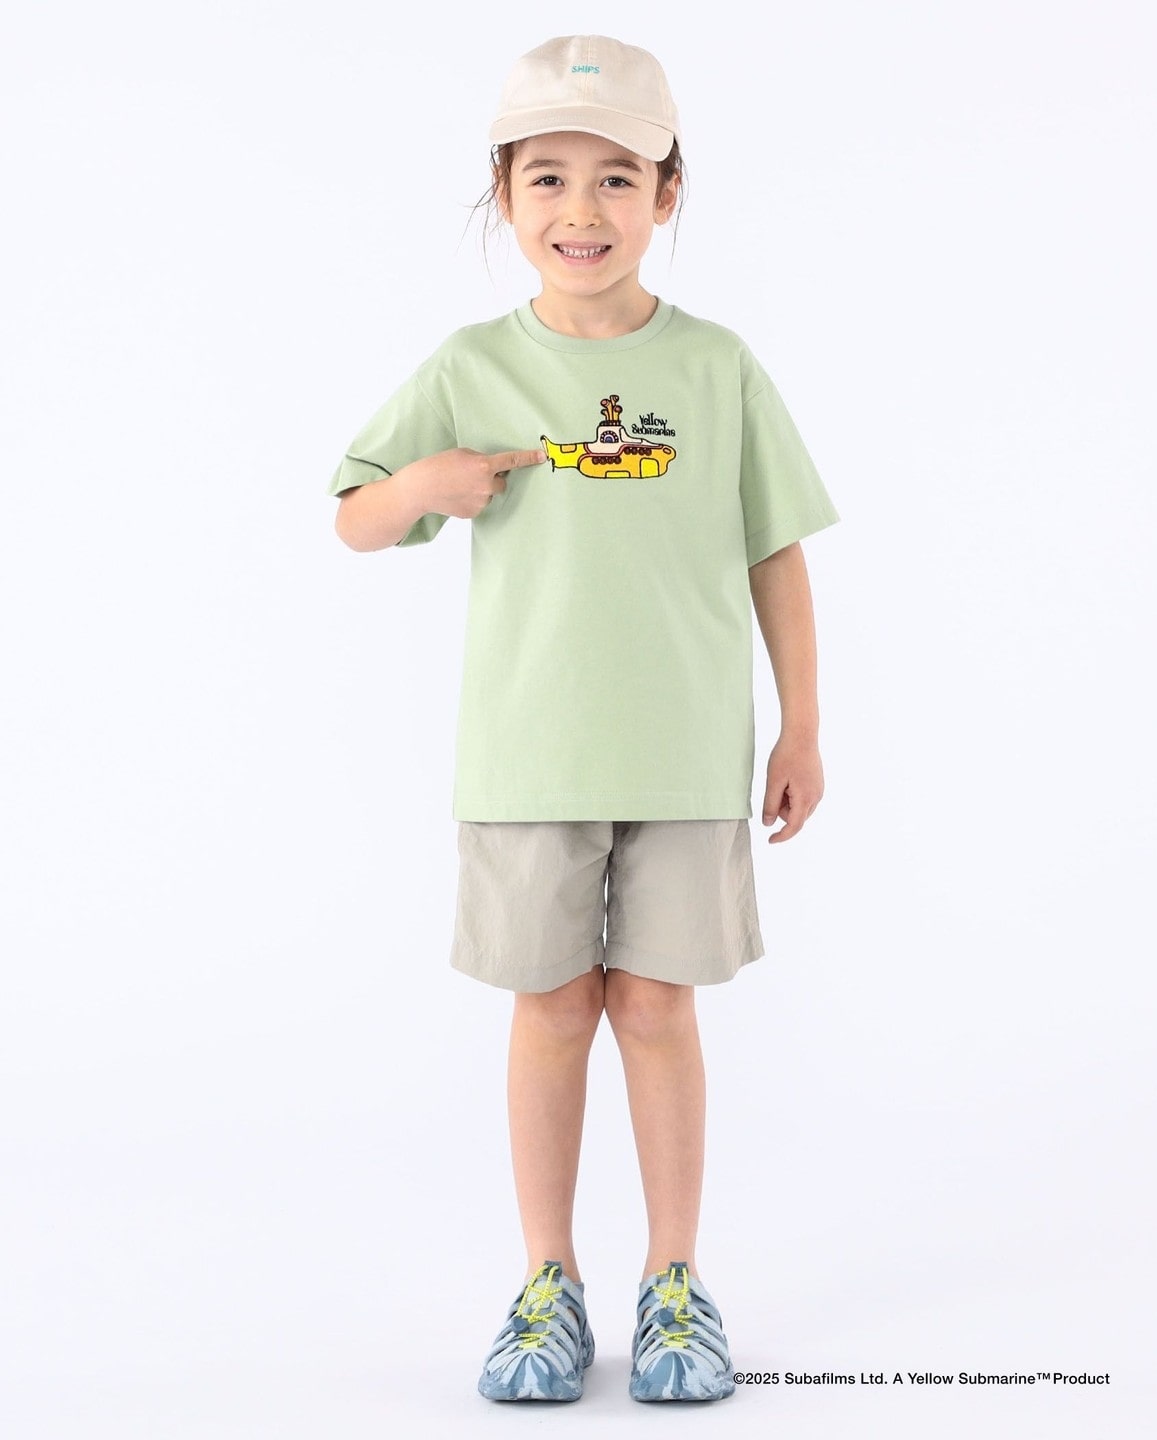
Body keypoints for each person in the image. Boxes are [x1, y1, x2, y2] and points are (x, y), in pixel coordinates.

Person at [328, 34, 839, 1404]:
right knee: (552, 1007)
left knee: (658, 1006)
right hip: (527, 759)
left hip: (685, 758)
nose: (581, 210)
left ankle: (675, 1283)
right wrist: (424, 485)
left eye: (617, 177)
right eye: (547, 176)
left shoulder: (719, 368)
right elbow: (354, 516)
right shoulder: (470, 365)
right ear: (505, 194)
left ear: (667, 193)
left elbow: (776, 549)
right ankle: (546, 1281)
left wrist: (799, 728)